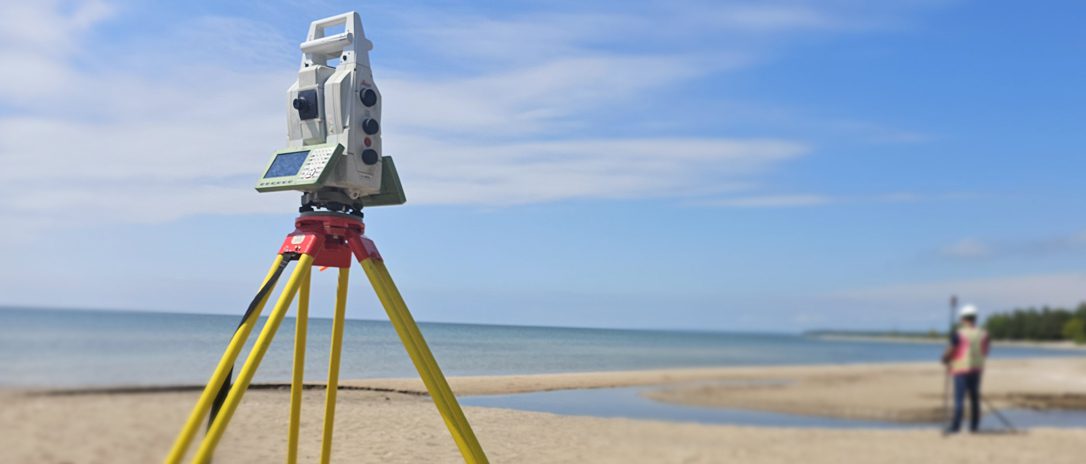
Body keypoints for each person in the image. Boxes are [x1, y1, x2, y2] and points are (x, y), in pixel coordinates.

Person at [941, 304, 990, 433]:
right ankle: (974, 426)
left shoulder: (959, 334)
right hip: (977, 369)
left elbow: (951, 349)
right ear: (975, 318)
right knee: (974, 399)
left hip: (961, 369)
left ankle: (956, 426)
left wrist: (945, 358)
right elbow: (985, 351)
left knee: (959, 399)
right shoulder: (984, 334)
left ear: (962, 318)